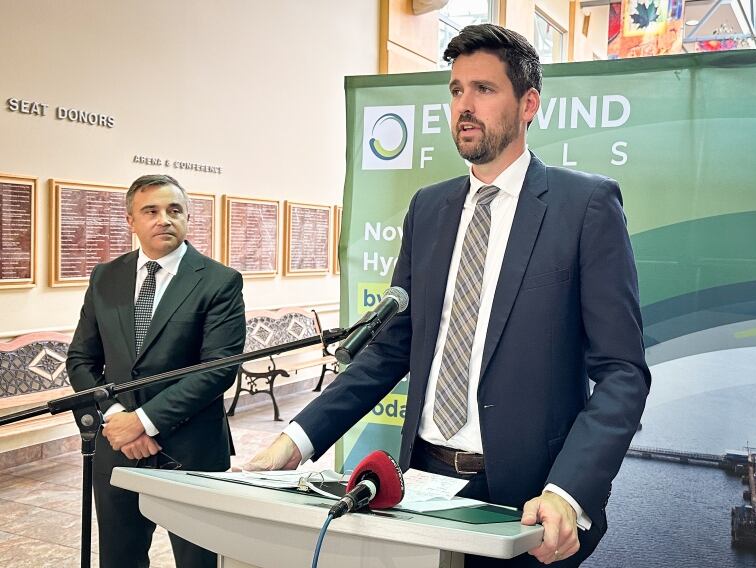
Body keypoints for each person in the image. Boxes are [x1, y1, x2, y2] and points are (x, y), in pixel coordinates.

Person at [245, 23, 650, 567]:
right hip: (421, 489)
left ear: (528, 103)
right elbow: (390, 349)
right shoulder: (429, 209)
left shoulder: (585, 207)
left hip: (527, 503)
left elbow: (623, 371)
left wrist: (568, 490)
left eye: (484, 89)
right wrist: (295, 440)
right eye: (457, 90)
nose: (464, 105)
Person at [67, 174, 246, 568]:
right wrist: (119, 420)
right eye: (151, 211)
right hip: (116, 448)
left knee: (198, 560)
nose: (164, 219)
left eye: (174, 210)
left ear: (186, 218)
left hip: (191, 450)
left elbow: (216, 370)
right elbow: (81, 360)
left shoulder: (219, 282)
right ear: (131, 220)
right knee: (120, 559)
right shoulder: (105, 277)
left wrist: (144, 421)